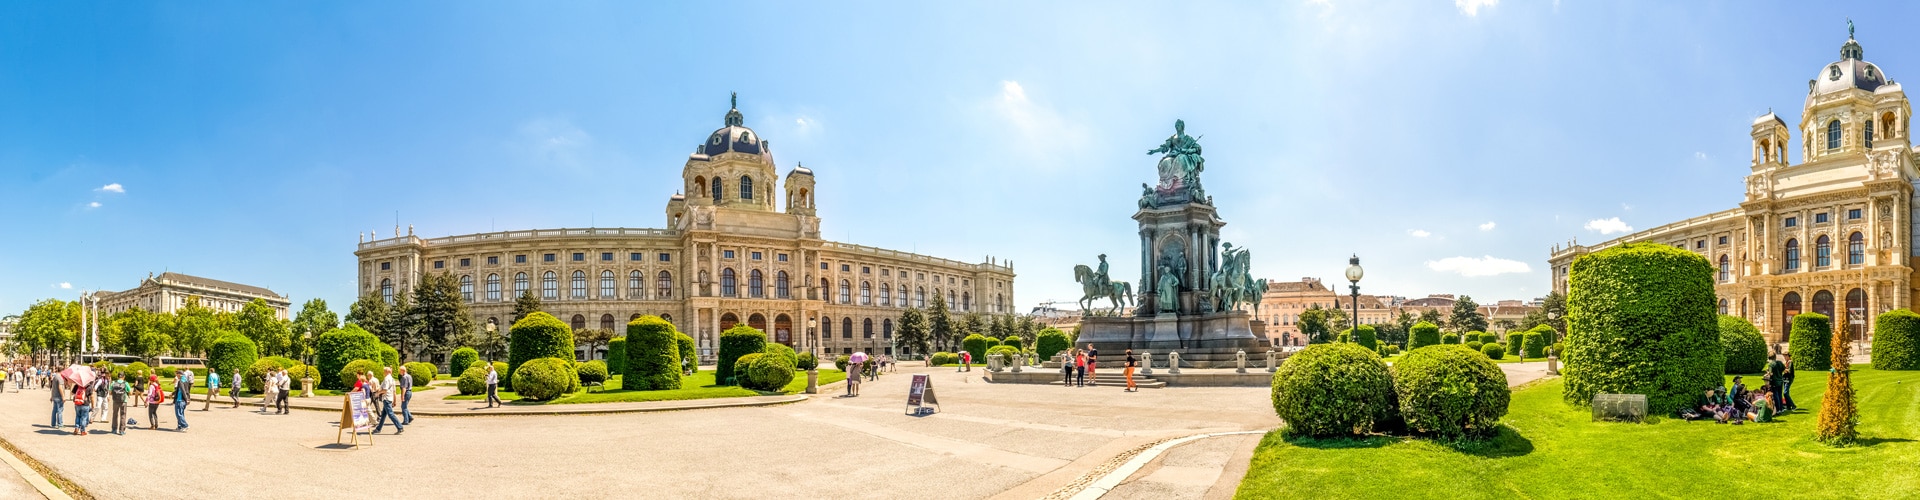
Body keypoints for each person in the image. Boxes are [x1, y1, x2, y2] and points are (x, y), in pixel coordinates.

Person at [374, 368, 404, 434]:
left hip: (386, 398)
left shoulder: (387, 379)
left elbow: (385, 389)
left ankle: (400, 427)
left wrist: (378, 393)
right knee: (383, 415)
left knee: (390, 414)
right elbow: (394, 391)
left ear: (386, 372)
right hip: (389, 398)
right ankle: (378, 429)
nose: (383, 372)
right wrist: (394, 400)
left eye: (384, 371)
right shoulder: (392, 379)